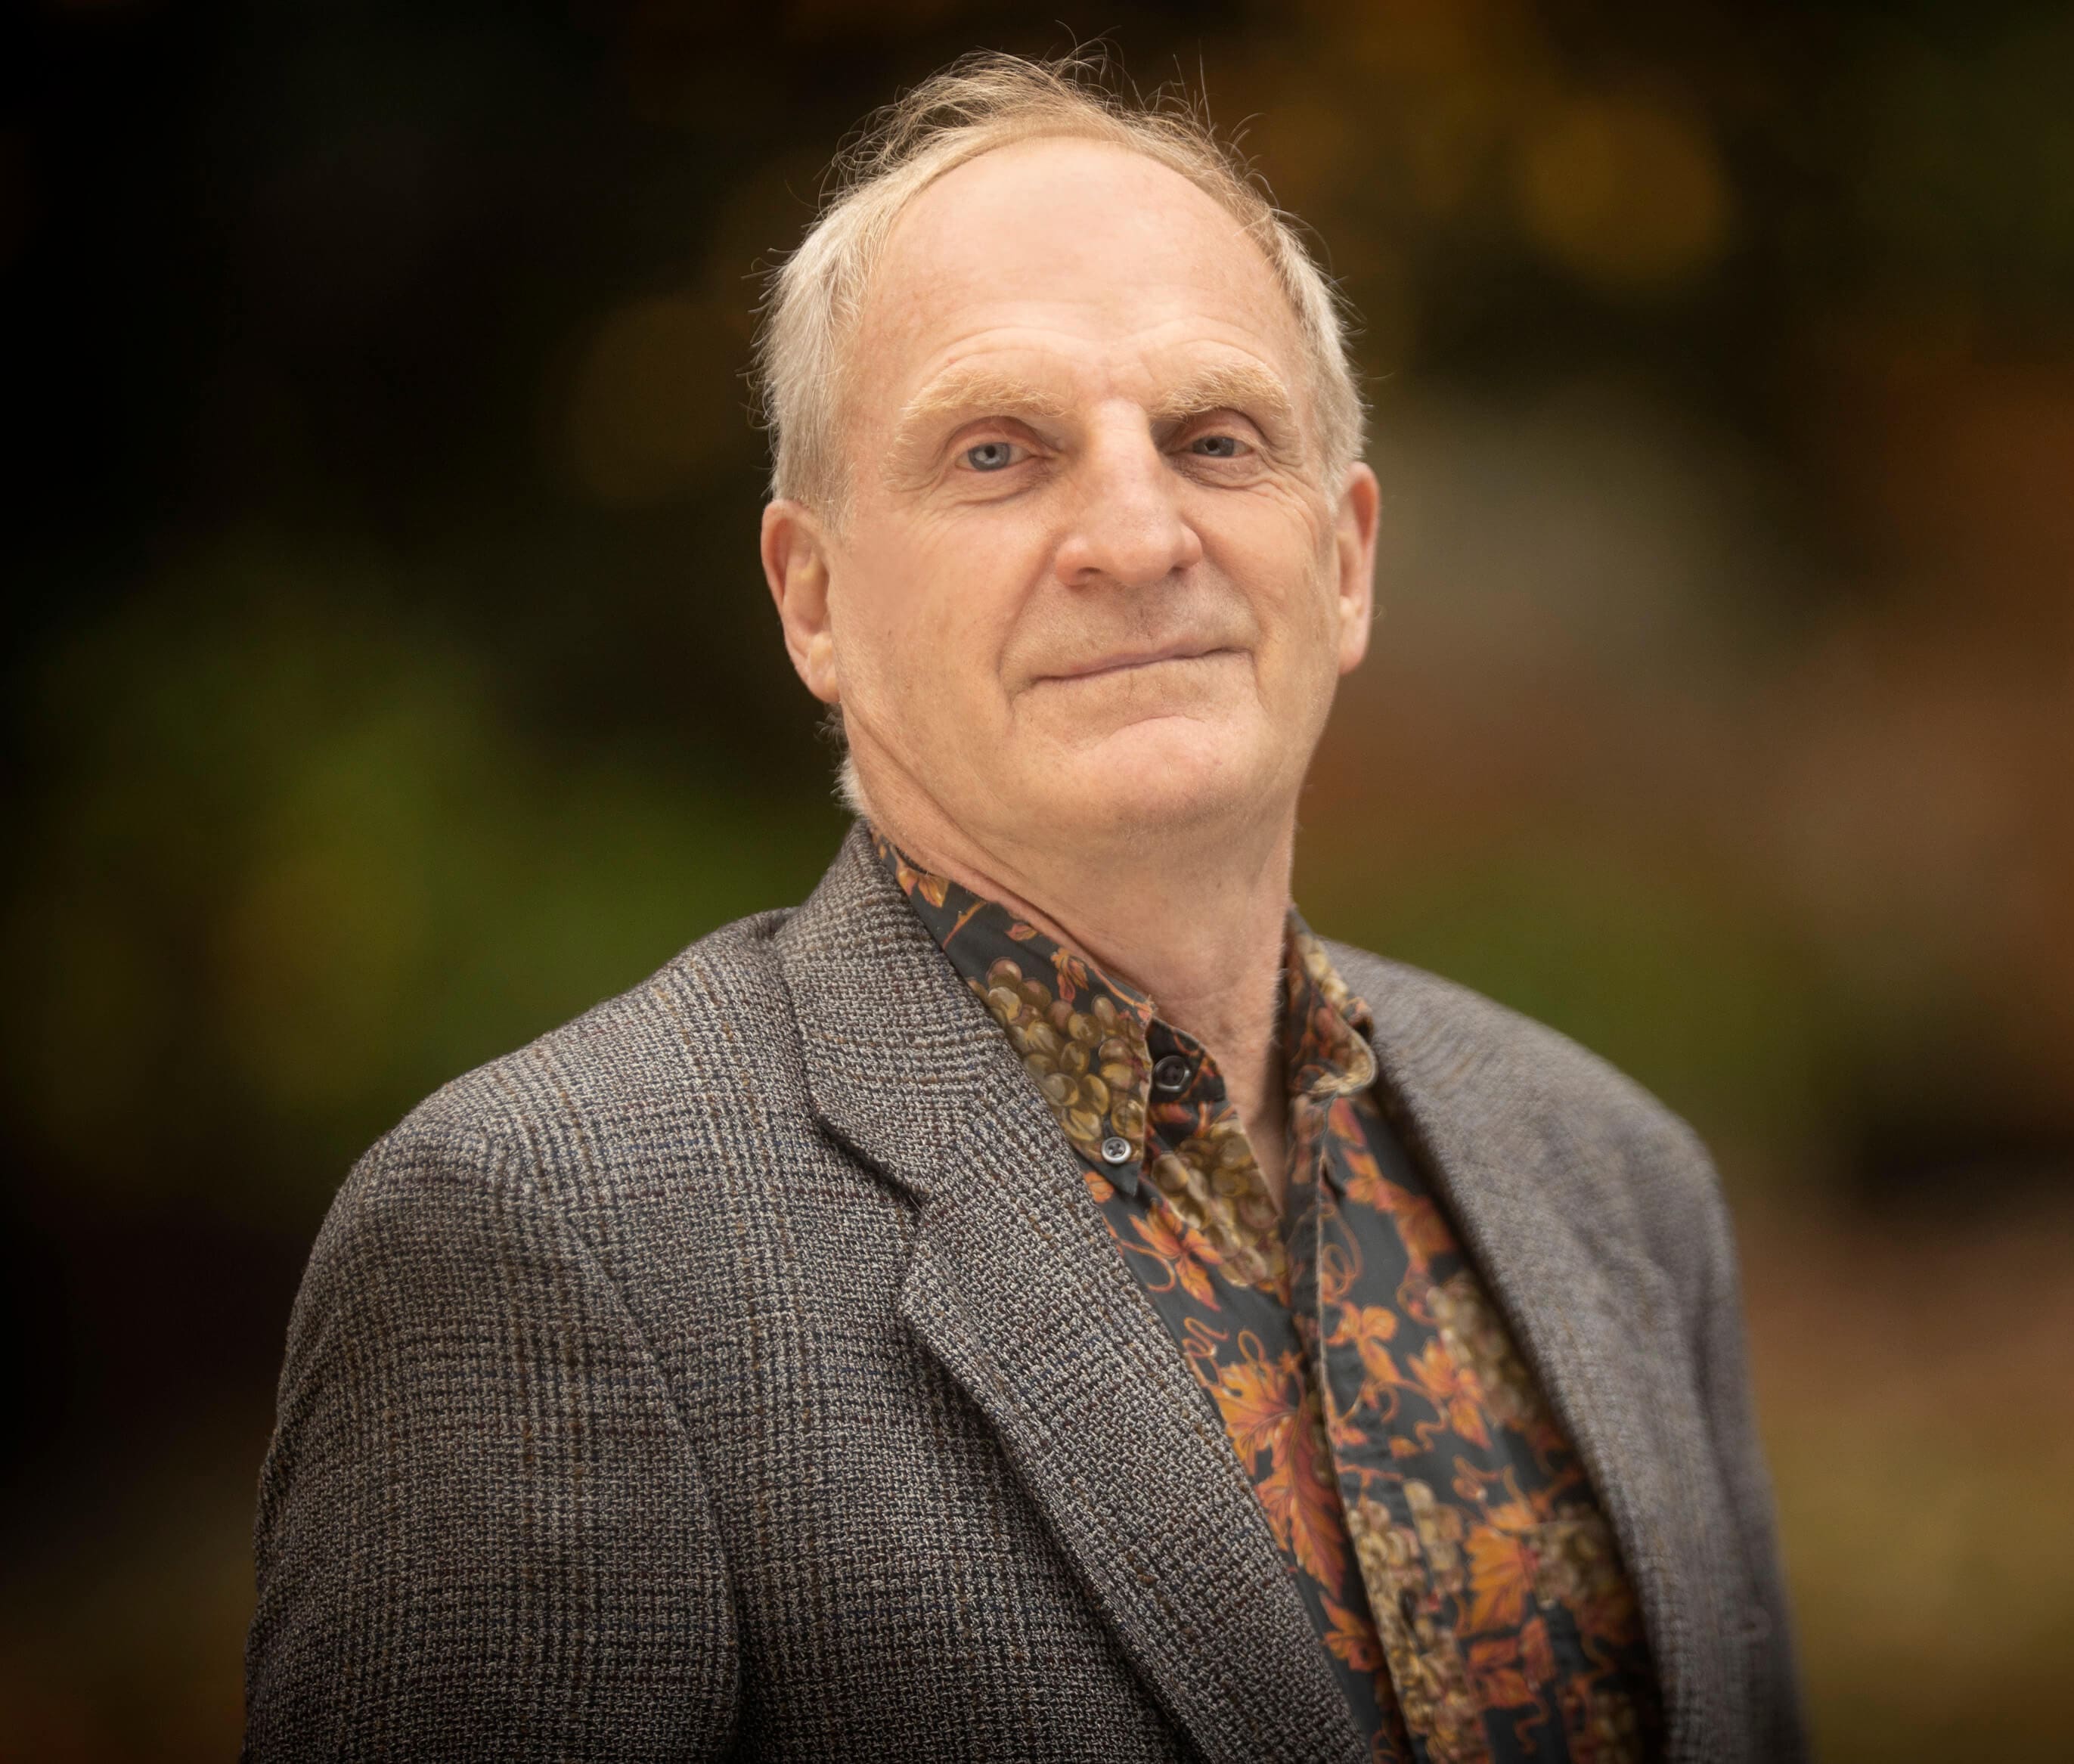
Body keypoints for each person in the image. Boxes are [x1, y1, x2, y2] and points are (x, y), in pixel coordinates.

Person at [242, 52, 1804, 1764]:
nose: (1137, 535)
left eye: (1215, 439)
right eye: (998, 452)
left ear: (1343, 560)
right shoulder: (545, 1235)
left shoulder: (1614, 1177)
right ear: (814, 598)